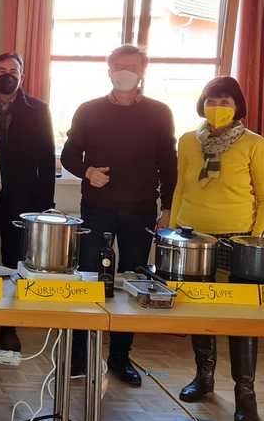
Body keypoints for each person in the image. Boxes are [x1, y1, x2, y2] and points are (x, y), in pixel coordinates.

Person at [61, 44, 177, 387]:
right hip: (97, 210)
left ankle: (120, 357)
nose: (125, 73)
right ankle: (80, 356)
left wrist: (168, 208)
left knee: (132, 282)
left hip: (141, 212)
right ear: (109, 70)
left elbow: (169, 164)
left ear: (143, 72)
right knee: (90, 280)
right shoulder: (89, 110)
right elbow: (69, 155)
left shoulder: (160, 112)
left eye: (132, 67)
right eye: (119, 67)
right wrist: (87, 172)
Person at [171, 77, 264, 421]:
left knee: (240, 319)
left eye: (225, 102)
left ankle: (246, 395)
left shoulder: (253, 143)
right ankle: (204, 378)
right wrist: (172, 230)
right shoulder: (188, 141)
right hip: (192, 239)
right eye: (212, 100)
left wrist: (255, 240)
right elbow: (181, 188)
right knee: (200, 311)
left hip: (239, 241)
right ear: (202, 104)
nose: (217, 107)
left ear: (238, 107)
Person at [0, 53, 55, 353]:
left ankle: (8, 326)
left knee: (15, 261)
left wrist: (44, 206)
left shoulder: (39, 109)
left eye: (13, 70)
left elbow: (46, 158)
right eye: (1, 70)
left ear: (22, 76)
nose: (8, 75)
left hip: (22, 199)